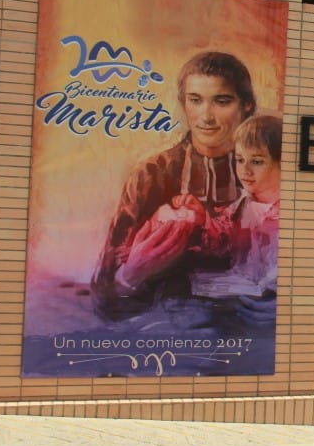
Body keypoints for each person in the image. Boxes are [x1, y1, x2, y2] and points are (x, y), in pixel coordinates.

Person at [91, 51, 257, 320]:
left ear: (246, 105)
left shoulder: (267, 173)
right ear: (183, 103)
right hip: (164, 330)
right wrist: (132, 274)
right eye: (195, 100)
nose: (206, 116)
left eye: (222, 101)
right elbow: (104, 300)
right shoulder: (151, 174)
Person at [190, 115, 282, 330]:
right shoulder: (241, 204)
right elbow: (219, 240)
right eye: (240, 160)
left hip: (271, 307)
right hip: (241, 294)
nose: (245, 170)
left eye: (257, 161)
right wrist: (198, 218)